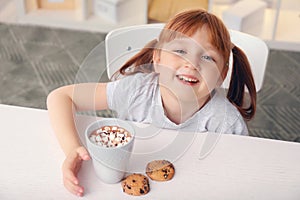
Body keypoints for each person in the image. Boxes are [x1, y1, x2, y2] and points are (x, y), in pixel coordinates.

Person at [47, 9, 256, 197]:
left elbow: (241, 173)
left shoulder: (227, 123)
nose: (191, 64)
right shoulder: (135, 91)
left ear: (222, 75)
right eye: (180, 51)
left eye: (208, 58)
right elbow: (60, 97)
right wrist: (72, 149)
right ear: (157, 58)